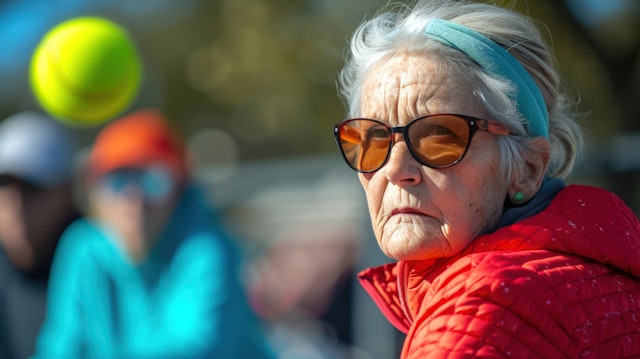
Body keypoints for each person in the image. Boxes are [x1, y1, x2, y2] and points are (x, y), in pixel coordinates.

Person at [333, 1, 640, 357]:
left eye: (440, 138)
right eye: (372, 139)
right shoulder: (600, 278)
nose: (396, 170)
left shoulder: (483, 306)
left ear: (527, 169)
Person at [32, 109, 274, 358]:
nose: (136, 201)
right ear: (94, 192)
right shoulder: (83, 248)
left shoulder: (209, 249)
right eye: (118, 180)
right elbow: (60, 348)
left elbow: (203, 351)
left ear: (180, 189)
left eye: (154, 180)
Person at [0, 111, 80, 359]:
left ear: (67, 192)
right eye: (3, 184)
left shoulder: (103, 262)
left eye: (32, 186)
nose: (16, 202)